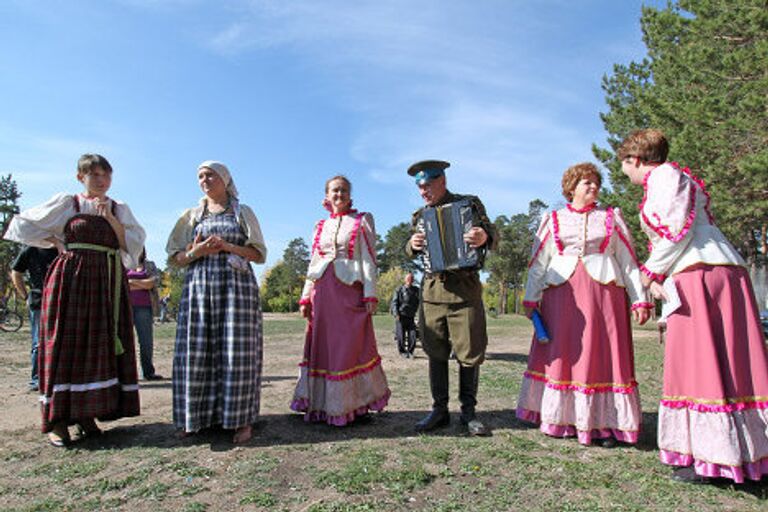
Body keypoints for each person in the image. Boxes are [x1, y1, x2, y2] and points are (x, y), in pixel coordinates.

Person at [619, 129, 768, 484]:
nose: (625, 173)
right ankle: (742, 453)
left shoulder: (665, 176)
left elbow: (675, 230)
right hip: (713, 269)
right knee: (730, 360)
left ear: (635, 160)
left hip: (700, 274)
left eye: (625, 165)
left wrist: (649, 273)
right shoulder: (676, 177)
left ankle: (714, 458)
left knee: (701, 362)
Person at [3, 154, 145, 447]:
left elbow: (130, 245)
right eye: (94, 175)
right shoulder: (69, 204)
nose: (101, 180)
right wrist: (57, 242)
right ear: (81, 177)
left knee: (98, 345)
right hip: (73, 281)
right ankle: (57, 419)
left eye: (106, 175)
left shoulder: (118, 209)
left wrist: (109, 219)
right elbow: (25, 226)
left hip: (106, 281)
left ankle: (86, 414)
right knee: (67, 343)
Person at [516, 162, 652, 448]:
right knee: (564, 353)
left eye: (595, 182)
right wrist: (531, 297)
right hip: (561, 295)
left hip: (604, 296)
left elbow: (628, 262)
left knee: (603, 355)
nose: (593, 187)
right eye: (586, 182)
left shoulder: (611, 217)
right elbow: (539, 262)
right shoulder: (552, 218)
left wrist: (640, 298)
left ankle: (605, 422)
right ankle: (562, 418)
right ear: (572, 187)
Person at [166, 161, 266, 444]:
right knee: (196, 350)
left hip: (237, 288)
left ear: (224, 179)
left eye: (210, 174)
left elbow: (258, 255)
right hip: (199, 287)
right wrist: (198, 250)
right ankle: (194, 417)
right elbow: (175, 259)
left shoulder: (242, 212)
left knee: (238, 352)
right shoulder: (191, 216)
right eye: (200, 175)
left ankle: (240, 420)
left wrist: (227, 246)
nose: (204, 180)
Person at [406, 160, 497, 436]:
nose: (423, 191)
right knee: (435, 352)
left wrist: (484, 237)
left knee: (469, 353)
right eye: (419, 187)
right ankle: (439, 411)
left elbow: (493, 234)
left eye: (428, 185)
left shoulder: (470, 204)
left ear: (442, 181)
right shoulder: (420, 216)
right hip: (432, 293)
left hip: (464, 291)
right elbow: (411, 248)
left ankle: (468, 413)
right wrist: (411, 245)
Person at [291, 175, 390, 426]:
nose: (339, 194)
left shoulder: (362, 220)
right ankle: (321, 406)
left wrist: (370, 293)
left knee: (348, 349)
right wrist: (305, 297)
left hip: (348, 292)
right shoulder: (319, 226)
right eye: (335, 190)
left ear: (350, 195)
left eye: (344, 190)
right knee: (322, 348)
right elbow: (313, 262)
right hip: (322, 292)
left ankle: (352, 406)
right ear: (326, 196)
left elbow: (368, 258)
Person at [10, 245, 58, 391]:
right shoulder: (31, 249)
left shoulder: (62, 248)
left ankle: (56, 378)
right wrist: (25, 296)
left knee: (59, 340)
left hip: (59, 300)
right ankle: (36, 380)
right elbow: (16, 272)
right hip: (38, 301)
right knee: (38, 342)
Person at [126, 248, 163, 380]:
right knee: (126, 342)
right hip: (126, 307)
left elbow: (152, 283)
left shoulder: (150, 265)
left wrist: (132, 282)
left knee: (146, 342)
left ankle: (148, 372)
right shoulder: (124, 264)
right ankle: (127, 374)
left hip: (145, 308)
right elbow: (123, 284)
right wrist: (142, 283)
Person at [390, 272, 420, 358]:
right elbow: (394, 303)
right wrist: (396, 314)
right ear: (405, 280)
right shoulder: (399, 290)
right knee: (401, 336)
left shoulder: (416, 290)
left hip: (411, 317)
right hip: (401, 316)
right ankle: (402, 352)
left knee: (413, 335)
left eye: (411, 279)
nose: (410, 280)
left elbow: (420, 303)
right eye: (408, 279)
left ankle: (410, 352)